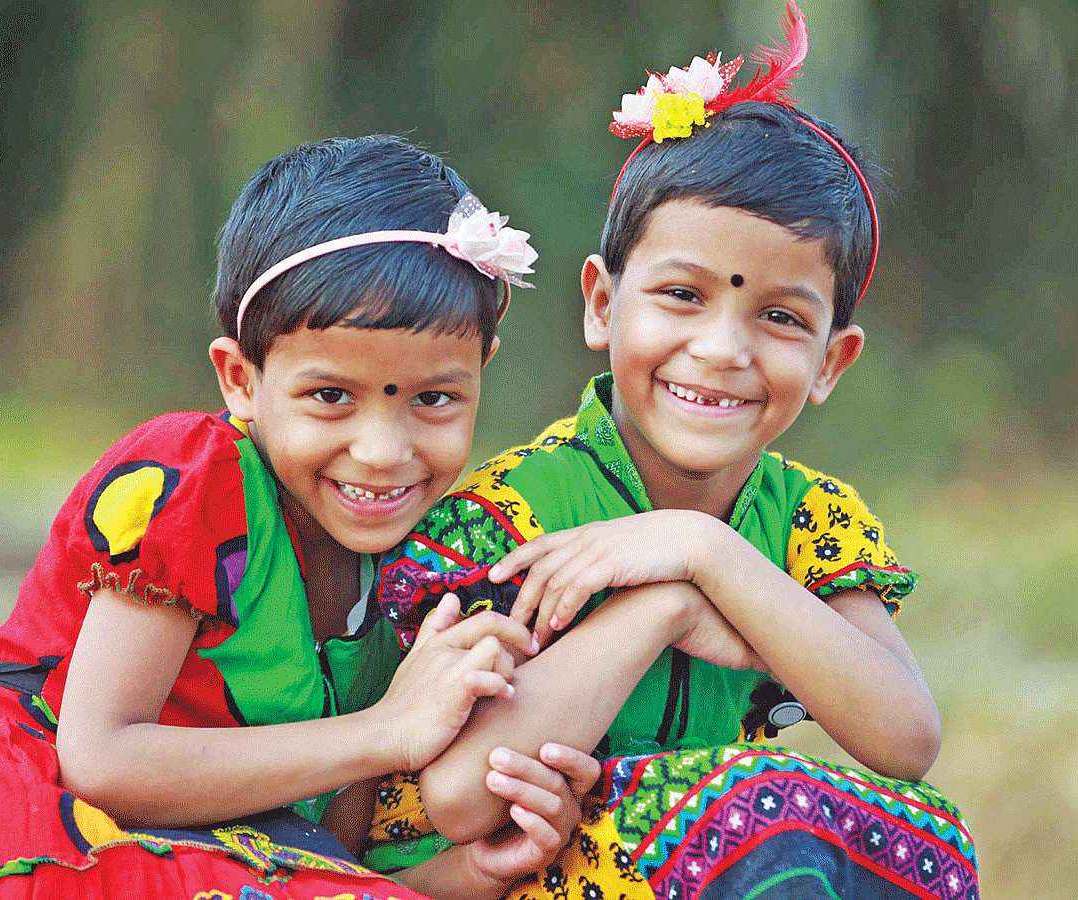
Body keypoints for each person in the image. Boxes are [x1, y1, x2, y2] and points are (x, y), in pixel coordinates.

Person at [0, 135, 603, 900]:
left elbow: (331, 840)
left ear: (481, 374)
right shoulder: (197, 482)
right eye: (330, 396)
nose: (384, 452)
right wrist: (385, 730)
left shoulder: (419, 558)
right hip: (39, 826)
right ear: (240, 379)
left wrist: (458, 874)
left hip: (221, 850)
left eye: (434, 399)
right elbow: (100, 759)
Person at [363, 6, 980, 900]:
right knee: (759, 805)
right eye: (682, 296)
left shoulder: (806, 523)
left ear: (831, 361)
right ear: (602, 305)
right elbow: (460, 800)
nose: (723, 350)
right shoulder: (512, 516)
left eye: (779, 316)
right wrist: (661, 607)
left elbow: (905, 740)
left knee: (923, 839)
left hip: (716, 867)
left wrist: (709, 552)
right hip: (504, 877)